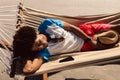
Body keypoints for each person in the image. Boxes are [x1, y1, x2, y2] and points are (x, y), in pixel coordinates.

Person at [12, 18, 120, 75]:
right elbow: (28, 69)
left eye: (38, 43)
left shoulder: (46, 24)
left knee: (116, 27)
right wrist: (24, 54)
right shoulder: (44, 52)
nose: (41, 46)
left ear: (35, 33)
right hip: (85, 46)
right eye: (37, 48)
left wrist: (89, 39)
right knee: (111, 40)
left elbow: (72, 28)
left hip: (84, 30)